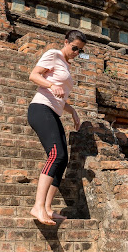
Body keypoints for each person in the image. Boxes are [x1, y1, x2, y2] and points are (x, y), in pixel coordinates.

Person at [28, 30, 86, 225]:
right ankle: (38, 206)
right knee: (55, 155)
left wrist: (73, 111)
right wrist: (51, 85)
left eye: (80, 51)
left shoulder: (67, 66)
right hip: (40, 108)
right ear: (66, 42)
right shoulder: (54, 55)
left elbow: (61, 97)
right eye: (74, 47)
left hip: (53, 111)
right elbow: (34, 76)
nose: (76, 52)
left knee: (63, 159)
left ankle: (48, 208)